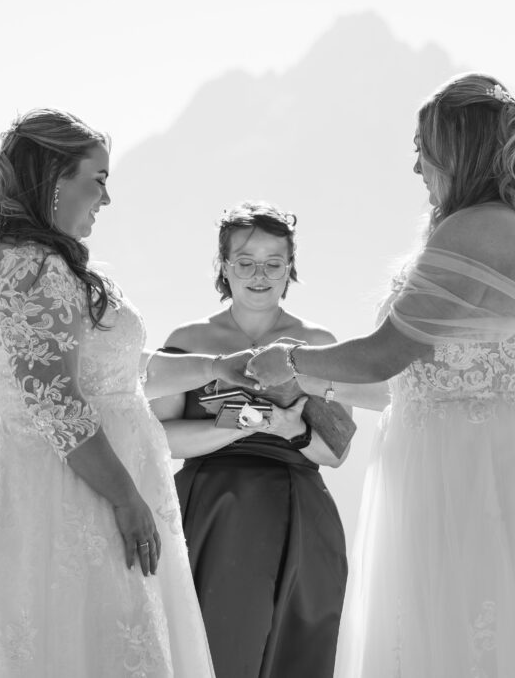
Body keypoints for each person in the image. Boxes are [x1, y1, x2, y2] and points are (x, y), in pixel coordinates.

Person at [246, 74, 515, 677]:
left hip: (467, 476)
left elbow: (382, 355)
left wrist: (290, 358)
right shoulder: (491, 226)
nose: (416, 164)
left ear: (459, 148)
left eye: (424, 145)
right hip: (467, 462)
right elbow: (400, 384)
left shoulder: (473, 229)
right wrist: (308, 384)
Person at [0, 108, 254, 678]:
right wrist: (126, 499)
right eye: (97, 180)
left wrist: (225, 367)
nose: (106, 198)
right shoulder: (34, 271)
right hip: (76, 499)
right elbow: (58, 406)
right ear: (53, 180)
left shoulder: (46, 266)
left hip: (86, 485)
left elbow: (118, 376)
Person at [149, 201, 350, 678]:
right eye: (245, 262)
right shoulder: (187, 339)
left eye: (273, 263)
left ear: (289, 268)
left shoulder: (319, 342)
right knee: (211, 654)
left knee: (295, 655)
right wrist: (238, 424)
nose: (259, 274)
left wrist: (292, 430)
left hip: (298, 512)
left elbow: (337, 452)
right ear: (224, 267)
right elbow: (162, 440)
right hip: (210, 510)